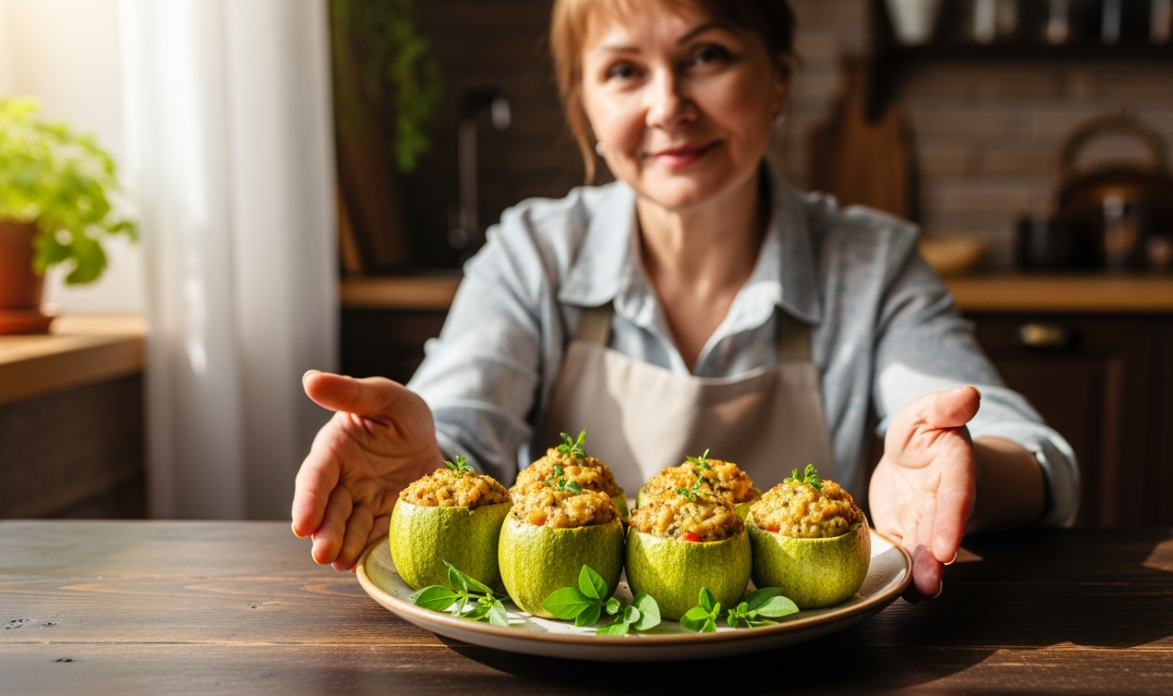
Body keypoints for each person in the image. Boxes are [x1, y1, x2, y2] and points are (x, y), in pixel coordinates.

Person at [291, 0, 1077, 600]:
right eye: (624, 71)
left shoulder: (871, 263)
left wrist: (958, 470)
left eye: (707, 55)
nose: (668, 104)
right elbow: (462, 430)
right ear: (585, 109)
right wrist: (425, 461)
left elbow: (1032, 455)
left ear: (778, 79)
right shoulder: (531, 253)